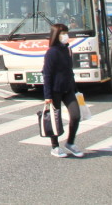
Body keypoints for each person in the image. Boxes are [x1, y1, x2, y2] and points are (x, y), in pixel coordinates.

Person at [42, 22, 84, 158]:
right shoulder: (51, 52)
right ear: (56, 35)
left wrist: (75, 88)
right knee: (55, 119)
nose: (66, 36)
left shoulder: (66, 49)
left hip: (69, 89)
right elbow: (47, 74)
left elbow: (69, 71)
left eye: (66, 33)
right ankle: (55, 146)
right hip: (55, 91)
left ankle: (70, 143)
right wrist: (47, 96)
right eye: (63, 34)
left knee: (76, 115)